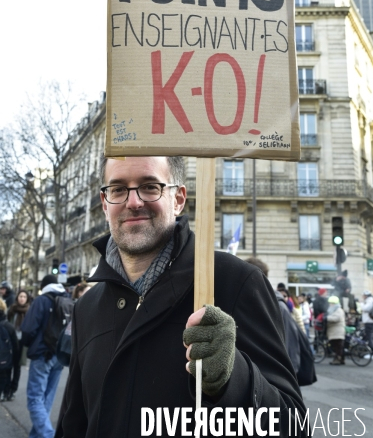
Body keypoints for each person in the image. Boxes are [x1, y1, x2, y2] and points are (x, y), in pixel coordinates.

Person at [56, 156, 307, 437]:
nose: (134, 201)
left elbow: (292, 425)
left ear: (178, 199)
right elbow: (72, 424)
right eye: (118, 189)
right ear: (105, 204)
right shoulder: (87, 307)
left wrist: (234, 378)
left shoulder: (236, 281)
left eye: (150, 186)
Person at [21, 274, 68, 438]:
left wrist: (28, 345)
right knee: (47, 399)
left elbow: (27, 329)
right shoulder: (66, 299)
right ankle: (36, 435)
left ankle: (47, 435)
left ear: (44, 286)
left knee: (34, 399)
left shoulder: (42, 300)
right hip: (60, 355)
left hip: (42, 354)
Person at [6, 289, 31, 400]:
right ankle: (5, 389)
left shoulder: (29, 311)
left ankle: (13, 389)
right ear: (17, 298)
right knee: (7, 366)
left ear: (27, 299)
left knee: (17, 367)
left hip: (22, 343)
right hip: (11, 341)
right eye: (20, 296)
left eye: (24, 297)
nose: (22, 298)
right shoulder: (12, 310)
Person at [0, 298, 19, 402]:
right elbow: (16, 356)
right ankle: (6, 393)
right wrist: (13, 386)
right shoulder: (8, 326)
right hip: (5, 364)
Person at [325, 295, 345, 365]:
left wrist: (327, 318)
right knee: (338, 346)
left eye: (331, 303)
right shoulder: (334, 309)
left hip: (337, 332)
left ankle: (337, 359)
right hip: (334, 331)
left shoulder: (338, 310)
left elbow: (336, 318)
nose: (330, 304)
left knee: (337, 347)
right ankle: (340, 359)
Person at [361, 289, 373, 360]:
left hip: (369, 322)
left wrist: (361, 304)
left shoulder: (370, 301)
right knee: (367, 337)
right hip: (369, 321)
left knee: (369, 337)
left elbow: (365, 309)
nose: (363, 297)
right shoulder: (370, 301)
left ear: (366, 295)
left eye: (363, 295)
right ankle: (368, 351)